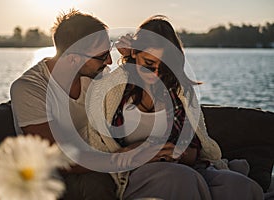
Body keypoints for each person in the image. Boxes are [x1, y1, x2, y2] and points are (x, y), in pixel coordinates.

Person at [86, 15, 264, 199]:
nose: (155, 73)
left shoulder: (179, 92)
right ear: (135, 54)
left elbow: (195, 149)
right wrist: (133, 152)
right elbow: (99, 146)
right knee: (183, 179)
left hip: (184, 168)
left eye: (163, 67)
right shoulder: (116, 90)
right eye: (148, 64)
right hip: (134, 173)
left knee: (241, 186)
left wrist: (178, 152)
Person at [10, 9, 117, 200]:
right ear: (74, 58)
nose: (109, 61)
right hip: (47, 175)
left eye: (110, 50)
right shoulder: (28, 88)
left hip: (93, 164)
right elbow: (59, 158)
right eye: (102, 55)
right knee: (97, 185)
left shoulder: (97, 77)